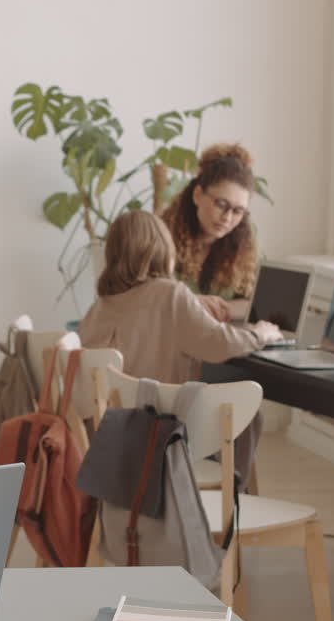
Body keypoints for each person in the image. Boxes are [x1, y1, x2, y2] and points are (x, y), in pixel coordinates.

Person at [78, 211, 280, 486]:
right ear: (161, 249)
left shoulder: (101, 305)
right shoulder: (170, 294)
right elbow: (220, 345)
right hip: (156, 433)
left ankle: (199, 491)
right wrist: (260, 333)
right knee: (248, 416)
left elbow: (145, 316)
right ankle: (223, 502)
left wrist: (193, 305)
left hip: (105, 436)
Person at [161, 143, 261, 323]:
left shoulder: (245, 240)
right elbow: (146, 301)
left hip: (221, 342)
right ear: (197, 195)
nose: (227, 218)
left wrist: (215, 308)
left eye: (238, 211)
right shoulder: (161, 235)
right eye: (221, 204)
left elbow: (256, 303)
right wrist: (194, 304)